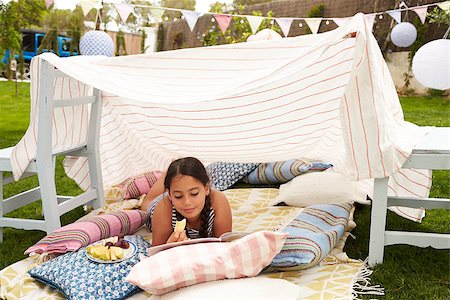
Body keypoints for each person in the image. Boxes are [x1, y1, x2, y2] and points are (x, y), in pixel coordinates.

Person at [140, 157, 232, 246]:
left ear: (206, 188)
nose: (187, 202)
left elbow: (224, 247)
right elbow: (156, 253)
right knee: (146, 204)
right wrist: (169, 247)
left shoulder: (218, 201)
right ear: (170, 195)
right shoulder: (163, 209)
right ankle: (167, 174)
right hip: (159, 205)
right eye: (178, 196)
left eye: (194, 194)